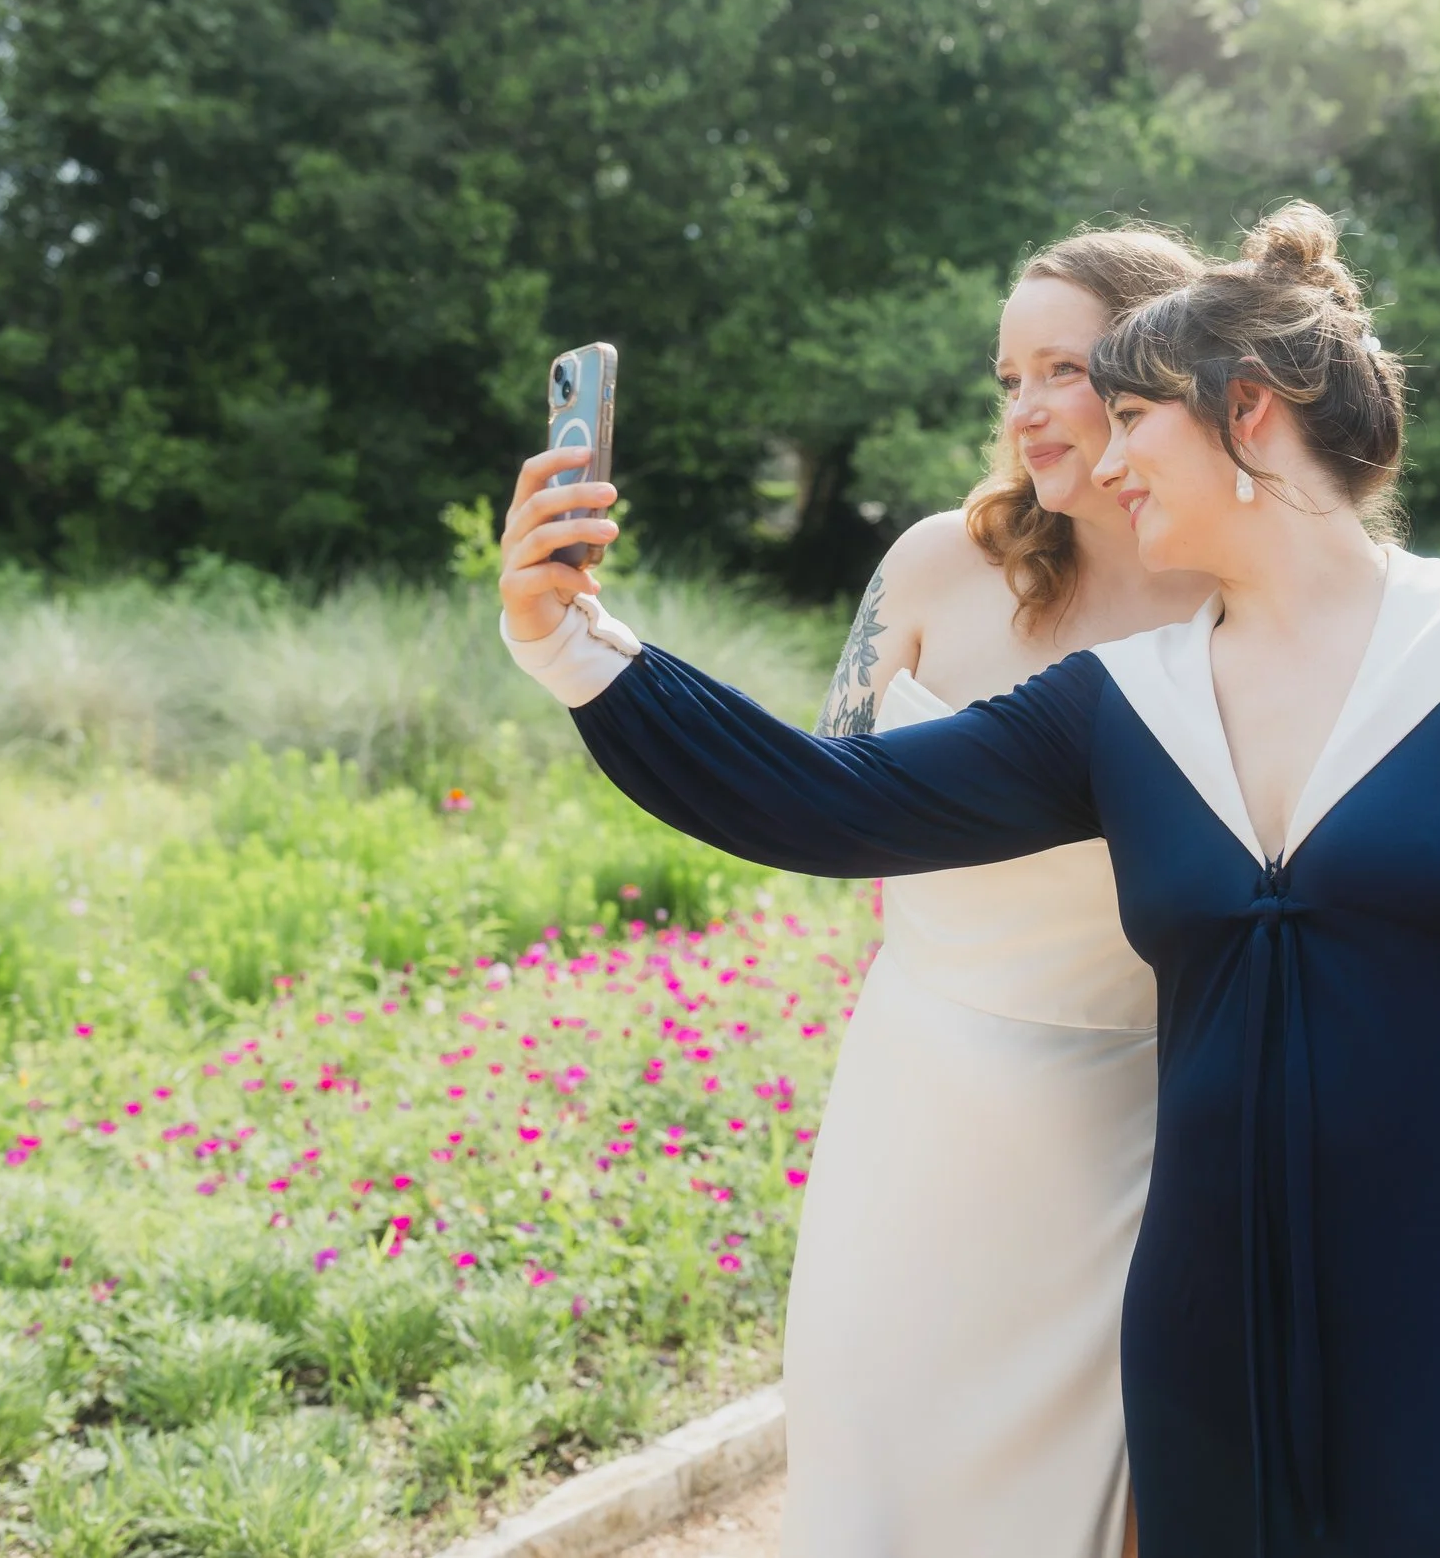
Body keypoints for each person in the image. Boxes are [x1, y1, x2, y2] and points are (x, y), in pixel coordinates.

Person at [498, 203, 1440, 1557]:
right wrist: (577, 648)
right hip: (1211, 1335)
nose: (1102, 459)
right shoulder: (1120, 704)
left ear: (1248, 412)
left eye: (1133, 420)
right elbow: (832, 799)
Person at [509, 226, 1213, 1558]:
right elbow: (818, 790)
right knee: (881, 1486)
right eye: (1008, 376)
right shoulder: (938, 562)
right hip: (916, 1112)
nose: (1024, 410)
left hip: (1134, 1140)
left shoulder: (1239, 606)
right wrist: (574, 640)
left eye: (1062, 368)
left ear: (1164, 374)